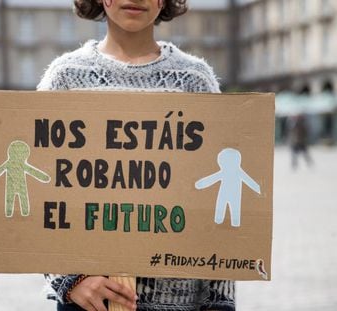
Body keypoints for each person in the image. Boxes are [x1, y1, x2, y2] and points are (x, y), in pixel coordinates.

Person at [37, 0, 235, 310]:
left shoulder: (196, 80)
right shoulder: (65, 77)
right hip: (88, 302)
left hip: (181, 301)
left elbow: (218, 208)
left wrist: (221, 301)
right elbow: (40, 196)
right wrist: (69, 280)